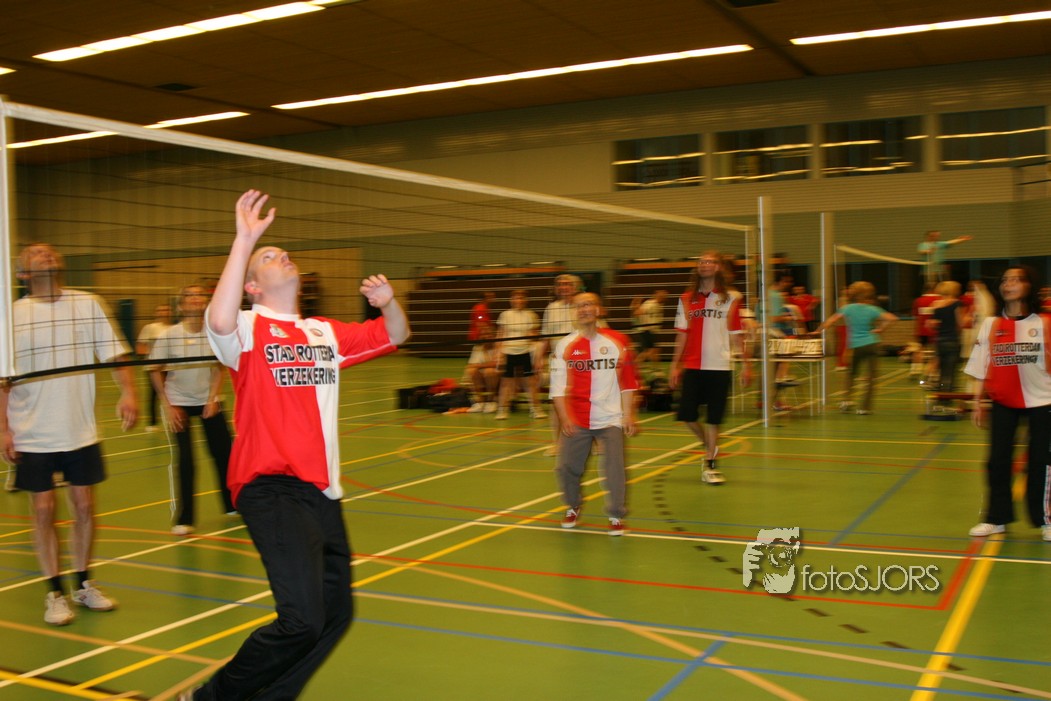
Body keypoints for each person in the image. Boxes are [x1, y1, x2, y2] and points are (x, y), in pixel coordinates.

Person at [188, 189, 410, 700]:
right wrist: (245, 240)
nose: (282, 255)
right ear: (252, 286)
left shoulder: (323, 332)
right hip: (270, 485)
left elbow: (396, 335)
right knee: (302, 619)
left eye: (281, 252)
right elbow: (218, 320)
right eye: (270, 257)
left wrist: (388, 303)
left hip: (321, 492)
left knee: (335, 615)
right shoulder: (246, 328)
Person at [0, 243, 137, 626]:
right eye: (34, 252)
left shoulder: (88, 303)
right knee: (43, 511)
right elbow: (3, 380)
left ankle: (83, 584)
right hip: (32, 431)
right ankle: (54, 593)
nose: (45, 253)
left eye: (49, 250)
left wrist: (128, 392)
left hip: (79, 429)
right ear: (23, 273)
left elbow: (115, 354)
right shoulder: (11, 316)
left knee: (85, 507)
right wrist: (3, 429)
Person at [964, 265, 1051, 542]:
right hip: (1003, 401)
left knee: (1041, 460)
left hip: (1043, 401)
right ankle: (996, 518)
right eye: (1005, 280)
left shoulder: (1045, 322)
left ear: (1029, 286)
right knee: (997, 460)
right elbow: (981, 364)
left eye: (1016, 279)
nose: (1009, 284)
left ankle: (1045, 519)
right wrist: (977, 401)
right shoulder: (991, 324)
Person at [550, 293, 639, 535]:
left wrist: (628, 415)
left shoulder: (618, 342)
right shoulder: (565, 345)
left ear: (598, 310)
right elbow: (557, 389)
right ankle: (573, 505)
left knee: (614, 468)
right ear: (574, 312)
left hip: (610, 418)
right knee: (566, 467)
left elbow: (628, 382)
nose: (583, 309)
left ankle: (615, 514)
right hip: (577, 418)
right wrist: (565, 419)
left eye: (588, 304)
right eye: (579, 306)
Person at [149, 284, 235, 535]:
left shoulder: (213, 332)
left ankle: (231, 504)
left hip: (209, 400)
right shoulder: (169, 335)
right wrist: (168, 405)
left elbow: (219, 367)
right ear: (181, 306)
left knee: (224, 454)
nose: (196, 298)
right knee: (186, 460)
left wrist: (213, 398)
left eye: (200, 295)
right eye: (190, 295)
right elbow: (154, 369)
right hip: (179, 403)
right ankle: (185, 518)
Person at [669, 250, 750, 485]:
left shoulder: (731, 298)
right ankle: (710, 446)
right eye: (701, 261)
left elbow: (736, 334)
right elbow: (682, 334)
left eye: (710, 261)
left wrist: (746, 365)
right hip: (692, 365)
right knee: (687, 415)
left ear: (718, 267)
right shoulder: (686, 298)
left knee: (714, 418)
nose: (704, 264)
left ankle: (710, 464)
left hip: (720, 365)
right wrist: (674, 365)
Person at [811, 281, 897, 415]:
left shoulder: (848, 308)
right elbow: (892, 318)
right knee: (871, 378)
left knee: (851, 374)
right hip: (872, 344)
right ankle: (864, 408)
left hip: (856, 346)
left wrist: (818, 331)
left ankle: (846, 401)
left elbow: (830, 321)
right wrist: (881, 329)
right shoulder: (873, 309)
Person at [538, 275, 583, 454]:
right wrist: (539, 358)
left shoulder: (582, 305)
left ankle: (593, 442)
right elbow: (545, 336)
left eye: (568, 284)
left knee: (585, 402)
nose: (564, 287)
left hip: (581, 361)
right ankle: (558, 444)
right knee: (557, 404)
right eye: (560, 284)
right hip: (558, 362)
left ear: (576, 287)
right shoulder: (551, 308)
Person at [495, 289, 544, 420]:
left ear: (525, 300)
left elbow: (535, 335)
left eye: (521, 298)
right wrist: (498, 354)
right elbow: (500, 334)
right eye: (516, 298)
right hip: (508, 352)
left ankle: (535, 409)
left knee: (530, 382)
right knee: (506, 383)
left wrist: (532, 335)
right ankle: (502, 409)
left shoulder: (531, 315)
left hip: (526, 352)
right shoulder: (505, 315)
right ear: (511, 300)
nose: (519, 300)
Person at [927, 280, 969, 397]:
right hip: (952, 340)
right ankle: (948, 397)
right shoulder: (957, 304)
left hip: (940, 341)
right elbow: (961, 323)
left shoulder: (936, 304)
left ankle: (940, 396)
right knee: (950, 373)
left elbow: (932, 324)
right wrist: (969, 317)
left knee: (941, 372)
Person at [136, 303, 174, 432]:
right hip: (153, 367)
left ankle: (172, 418)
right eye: (161, 310)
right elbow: (141, 345)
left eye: (167, 310)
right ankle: (152, 423)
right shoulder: (150, 328)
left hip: (170, 367)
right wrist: (148, 357)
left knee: (172, 393)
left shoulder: (174, 328)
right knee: (154, 394)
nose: (164, 312)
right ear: (156, 313)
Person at [465, 326, 499, 413]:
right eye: (483, 334)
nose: (485, 336)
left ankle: (491, 401)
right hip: (482, 377)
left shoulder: (499, 347)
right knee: (471, 371)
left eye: (488, 334)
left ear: (494, 335)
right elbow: (471, 365)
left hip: (499, 377)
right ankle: (480, 402)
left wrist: (480, 366)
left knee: (489, 371)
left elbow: (496, 364)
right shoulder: (477, 348)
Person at [631, 289, 668, 366]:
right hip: (647, 331)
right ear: (657, 295)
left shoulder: (659, 305)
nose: (664, 297)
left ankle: (656, 369)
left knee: (654, 351)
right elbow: (638, 313)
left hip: (652, 331)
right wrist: (636, 304)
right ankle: (634, 365)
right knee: (649, 352)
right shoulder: (650, 304)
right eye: (662, 295)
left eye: (665, 296)